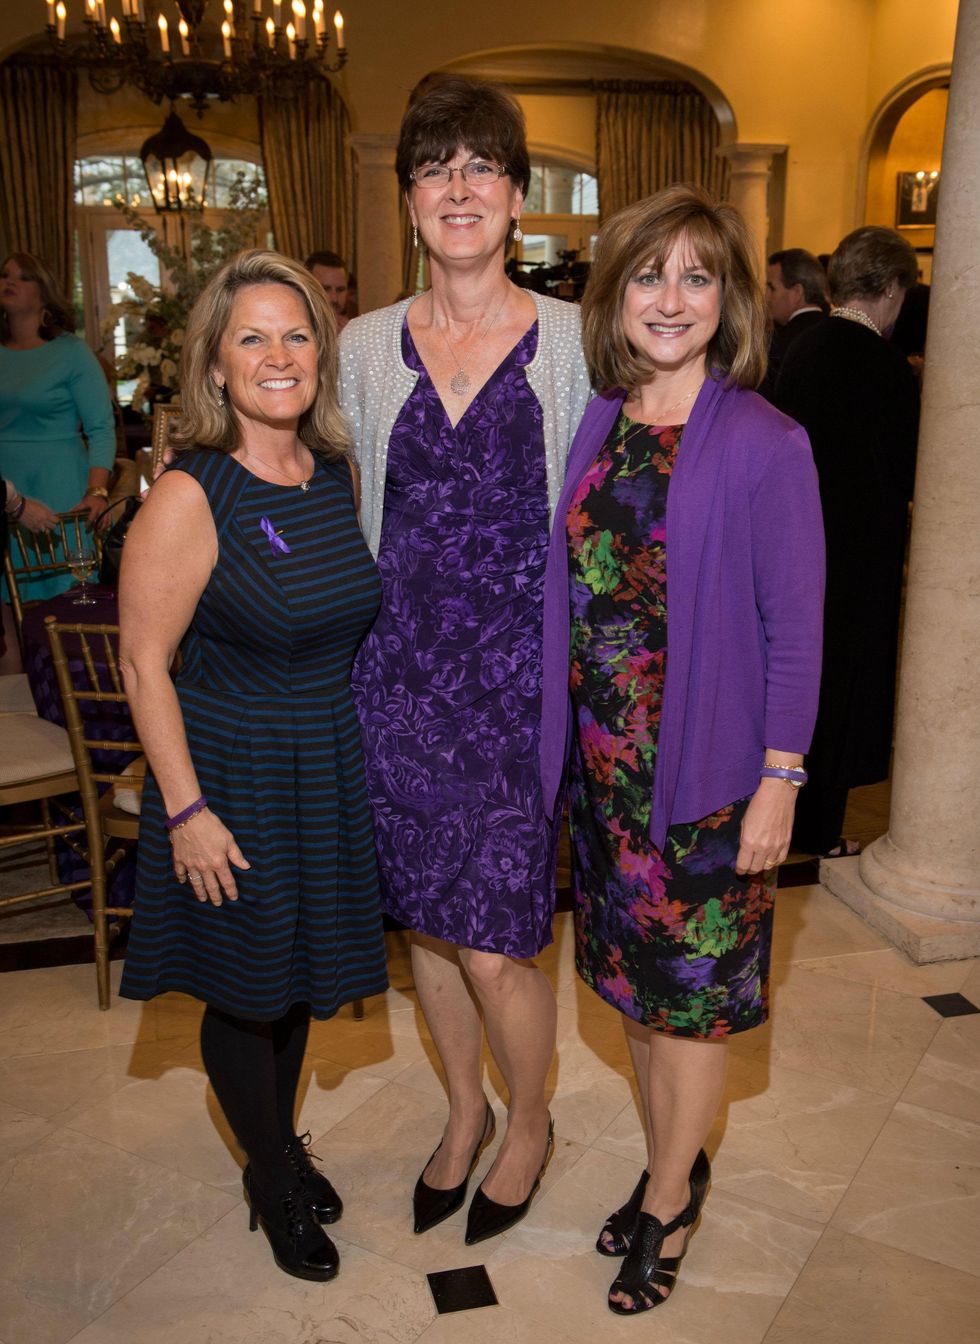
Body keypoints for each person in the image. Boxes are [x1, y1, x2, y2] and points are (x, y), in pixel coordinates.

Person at [540, 185, 825, 1314]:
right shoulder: (601, 419)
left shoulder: (765, 440)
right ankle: (676, 1158)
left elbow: (794, 629)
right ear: (612, 296)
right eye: (649, 274)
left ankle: (665, 1198)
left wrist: (778, 781)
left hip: (703, 782)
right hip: (605, 780)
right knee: (631, 996)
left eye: (696, 276)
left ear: (729, 299)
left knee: (688, 1005)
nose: (671, 298)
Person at [340, 74, 591, 1245]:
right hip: (393, 686)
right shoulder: (359, 347)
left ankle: (529, 1120)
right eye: (434, 167)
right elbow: (338, 510)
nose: (457, 187)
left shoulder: (577, 342)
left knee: (496, 944)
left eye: (481, 167)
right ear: (405, 201)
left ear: (515, 199)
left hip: (515, 690)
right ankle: (460, 1113)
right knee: (428, 929)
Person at [118, 250, 388, 1282]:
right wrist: (185, 812)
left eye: (295, 334)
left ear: (319, 348)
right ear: (215, 367)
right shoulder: (193, 491)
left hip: (319, 760)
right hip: (226, 769)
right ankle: (269, 1175)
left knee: (293, 980)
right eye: (251, 338)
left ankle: (274, 1145)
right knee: (244, 990)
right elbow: (144, 666)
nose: (278, 356)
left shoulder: (330, 473)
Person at [775, 226, 919, 857]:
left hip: (797, 544)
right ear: (890, 287)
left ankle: (788, 814)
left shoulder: (804, 347)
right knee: (845, 687)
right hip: (858, 558)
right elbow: (911, 467)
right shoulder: (883, 366)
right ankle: (819, 830)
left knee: (802, 683)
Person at [0, 252, 116, 608]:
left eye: (23, 277)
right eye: (5, 275)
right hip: (5, 487)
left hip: (60, 485)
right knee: (7, 603)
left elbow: (101, 428)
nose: (9, 282)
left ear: (44, 294)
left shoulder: (70, 352)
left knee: (66, 598)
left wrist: (97, 491)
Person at [758, 247, 828, 400]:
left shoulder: (776, 343)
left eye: (771, 288)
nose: (766, 297)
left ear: (797, 293)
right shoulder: (838, 335)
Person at [304, 250, 350, 331]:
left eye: (340, 290)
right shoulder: (291, 326)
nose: (334, 299)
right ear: (307, 287)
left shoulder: (352, 330)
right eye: (325, 289)